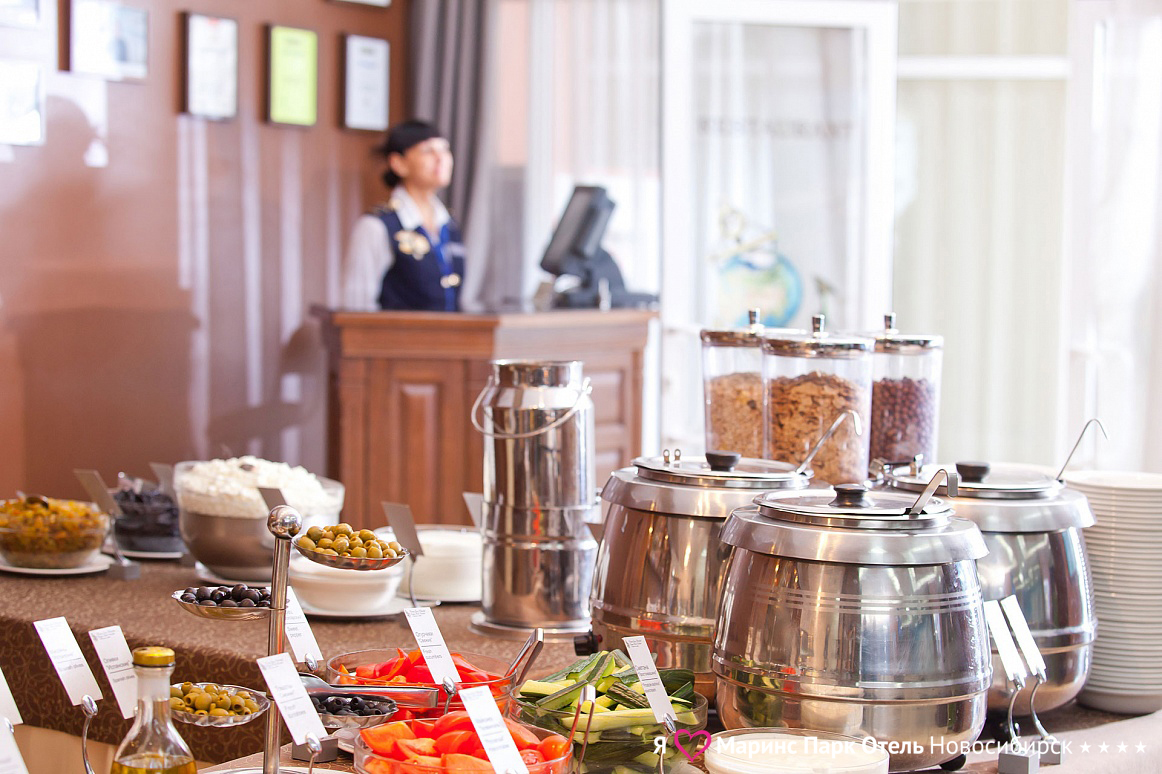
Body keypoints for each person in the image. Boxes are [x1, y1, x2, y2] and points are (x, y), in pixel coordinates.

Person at [342, 120, 464, 311]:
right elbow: (357, 307)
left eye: (444, 149)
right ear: (398, 163)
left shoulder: (448, 224)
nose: (440, 158)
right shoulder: (376, 226)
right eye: (428, 151)